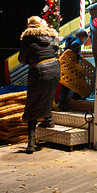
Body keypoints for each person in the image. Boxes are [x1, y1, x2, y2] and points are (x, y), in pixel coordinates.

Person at [18, 15, 60, 154]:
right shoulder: (50, 36)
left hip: (39, 69)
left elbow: (22, 59)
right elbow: (55, 50)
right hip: (54, 67)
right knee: (48, 94)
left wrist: (32, 58)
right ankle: (49, 119)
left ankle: (31, 143)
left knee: (32, 103)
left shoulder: (28, 39)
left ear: (29, 26)